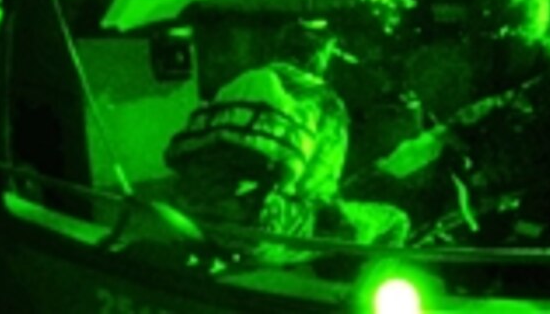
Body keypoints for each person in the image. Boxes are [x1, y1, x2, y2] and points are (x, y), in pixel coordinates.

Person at [165, 19, 409, 264]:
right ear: (320, 55)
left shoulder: (237, 84)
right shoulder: (326, 102)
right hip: (260, 226)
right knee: (393, 221)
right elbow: (316, 190)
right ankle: (355, 298)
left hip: (191, 214)